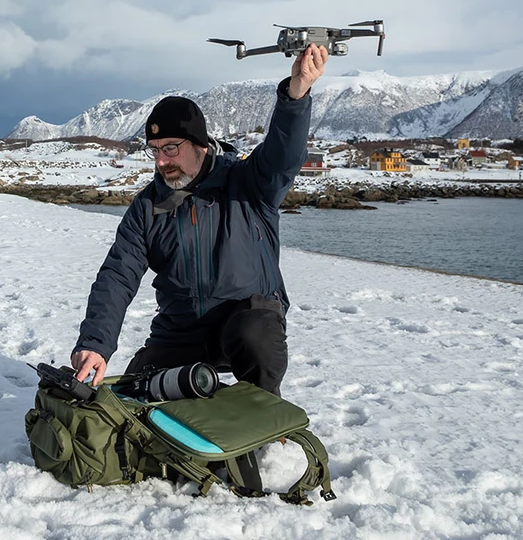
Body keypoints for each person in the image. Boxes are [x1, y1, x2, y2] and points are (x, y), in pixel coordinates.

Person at [71, 44, 329, 395]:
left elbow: (283, 156)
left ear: (200, 145)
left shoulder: (249, 183)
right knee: (135, 395)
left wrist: (295, 98)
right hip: (180, 332)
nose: (162, 161)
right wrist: (95, 343)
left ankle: (265, 415)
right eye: (155, 150)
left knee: (256, 335)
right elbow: (118, 275)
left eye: (171, 148)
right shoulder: (149, 206)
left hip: (246, 320)